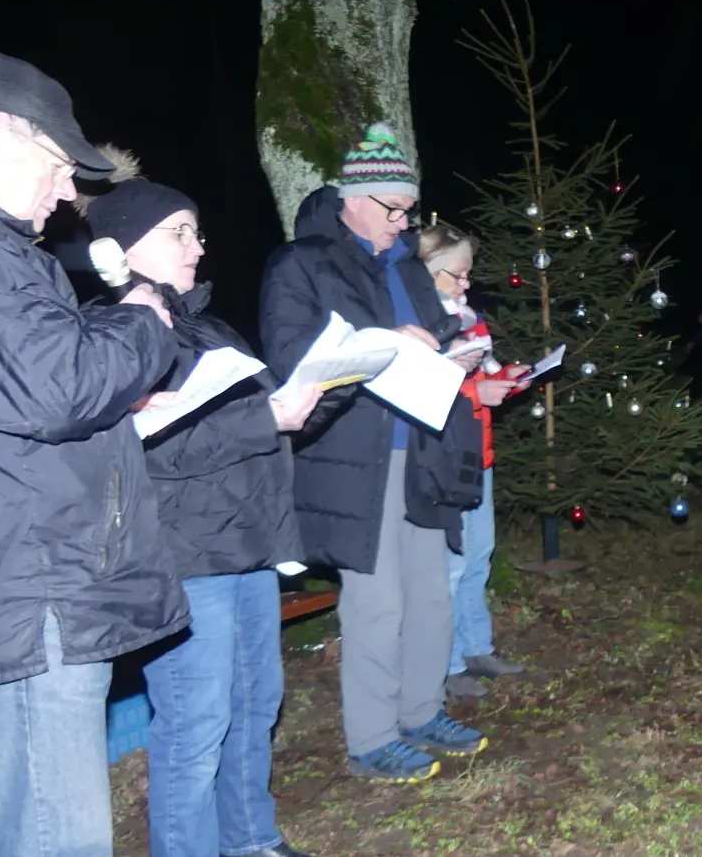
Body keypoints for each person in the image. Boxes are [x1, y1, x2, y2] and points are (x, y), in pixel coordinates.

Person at [0, 52, 184, 857]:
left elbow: (24, 389)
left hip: (28, 577)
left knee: (15, 817)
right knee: (52, 830)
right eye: (60, 167)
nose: (68, 194)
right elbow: (53, 392)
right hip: (34, 586)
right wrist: (142, 319)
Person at [82, 151, 324, 857]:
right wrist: (264, 419)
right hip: (184, 561)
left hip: (246, 549)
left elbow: (255, 435)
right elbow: (149, 451)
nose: (198, 245)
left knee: (254, 708)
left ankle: (251, 840)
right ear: (127, 249)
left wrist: (315, 394)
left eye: (196, 231)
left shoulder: (211, 330)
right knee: (195, 722)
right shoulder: (113, 333)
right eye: (179, 233)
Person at [260, 123, 517, 782]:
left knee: (431, 594)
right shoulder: (302, 264)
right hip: (359, 460)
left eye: (409, 212)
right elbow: (293, 366)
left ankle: (422, 708)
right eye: (392, 210)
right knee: (379, 603)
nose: (403, 227)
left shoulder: (404, 264)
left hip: (424, 449)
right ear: (353, 198)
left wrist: (454, 355)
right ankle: (372, 737)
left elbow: (428, 338)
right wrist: (385, 341)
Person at [418, 226, 530, 700]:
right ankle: (444, 664)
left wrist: (509, 378)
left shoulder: (470, 320)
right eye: (457, 275)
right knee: (447, 566)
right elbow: (417, 391)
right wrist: (472, 393)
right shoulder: (418, 324)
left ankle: (476, 646)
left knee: (478, 557)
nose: (466, 284)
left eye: (467, 275)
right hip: (443, 460)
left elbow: (485, 376)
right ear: (426, 272)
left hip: (479, 456)